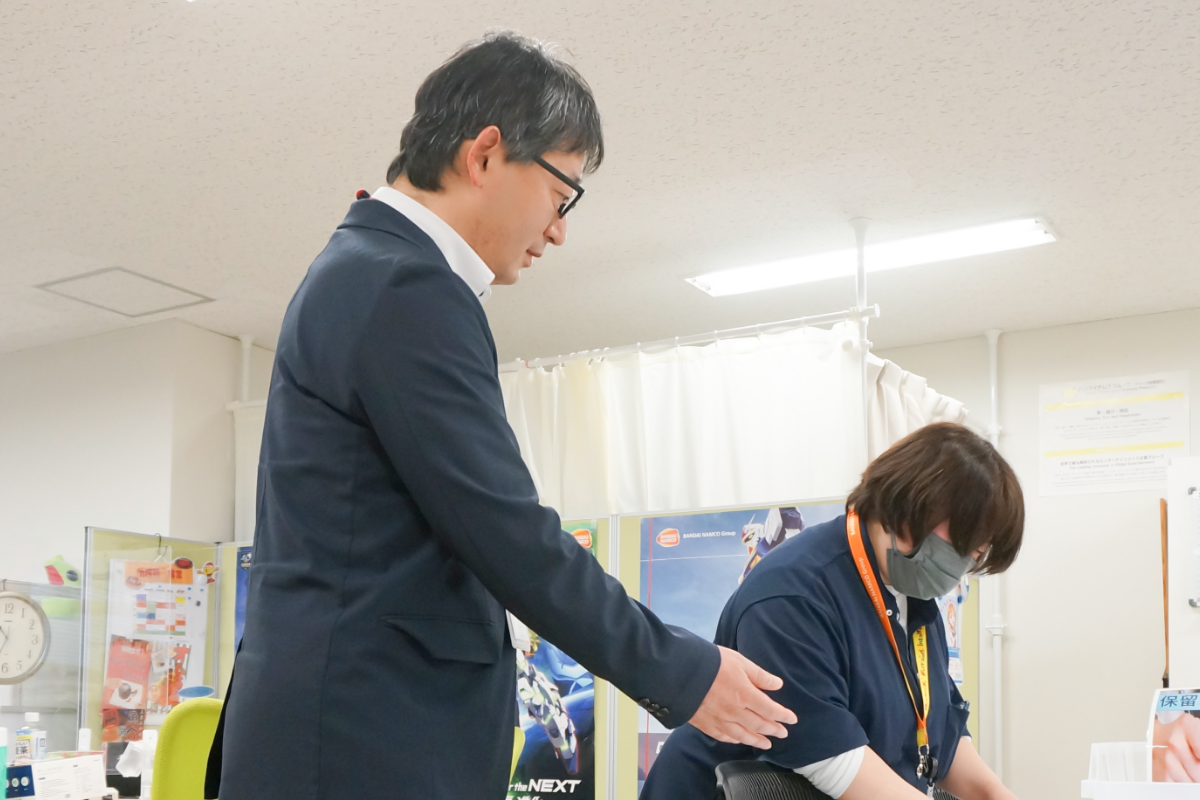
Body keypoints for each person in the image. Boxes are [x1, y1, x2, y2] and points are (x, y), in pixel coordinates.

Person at [204, 31, 795, 800]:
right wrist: (684, 671)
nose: (560, 229)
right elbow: (506, 532)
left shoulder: (367, 272)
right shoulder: (404, 287)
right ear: (485, 154)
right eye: (562, 193)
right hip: (361, 740)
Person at [641, 423, 1025, 800]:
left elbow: (942, 732)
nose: (969, 559)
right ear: (915, 507)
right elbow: (835, 762)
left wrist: (994, 794)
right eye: (967, 544)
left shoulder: (914, 598)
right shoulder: (793, 593)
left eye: (979, 552)